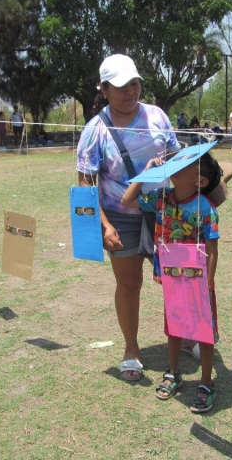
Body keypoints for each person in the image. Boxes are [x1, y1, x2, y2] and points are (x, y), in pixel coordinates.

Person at [76, 54, 181, 381]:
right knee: (129, 284)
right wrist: (103, 225)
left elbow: (177, 158)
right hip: (119, 218)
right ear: (104, 89)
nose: (130, 91)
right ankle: (131, 349)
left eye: (134, 83)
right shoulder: (95, 130)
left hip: (164, 212)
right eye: (121, 86)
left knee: (177, 281)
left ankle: (187, 336)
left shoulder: (158, 116)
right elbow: (86, 183)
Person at [121, 152, 222, 412]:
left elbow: (212, 249)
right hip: (172, 277)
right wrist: (147, 172)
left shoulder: (205, 207)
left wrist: (208, 284)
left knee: (204, 333)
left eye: (185, 165)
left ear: (199, 181)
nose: (175, 166)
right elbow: (127, 199)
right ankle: (174, 373)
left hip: (198, 279)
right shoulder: (161, 197)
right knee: (174, 327)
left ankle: (206, 382)